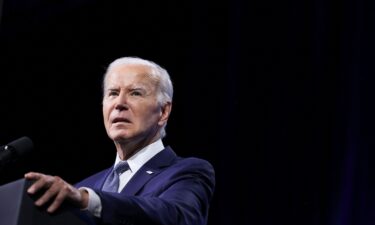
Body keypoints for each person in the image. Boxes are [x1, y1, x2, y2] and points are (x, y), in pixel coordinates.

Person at [24, 56, 215, 225]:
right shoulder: (84, 186)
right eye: (113, 93)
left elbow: (177, 217)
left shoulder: (188, 172)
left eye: (135, 93)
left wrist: (89, 201)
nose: (119, 104)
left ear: (163, 111)